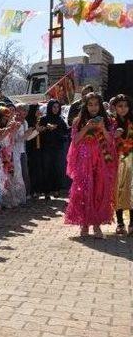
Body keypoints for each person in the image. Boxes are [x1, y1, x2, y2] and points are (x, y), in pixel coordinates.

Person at [65, 92, 117, 238]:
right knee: (84, 190)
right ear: (85, 106)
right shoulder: (78, 121)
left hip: (101, 160)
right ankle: (84, 224)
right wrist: (86, 128)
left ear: (100, 105)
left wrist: (103, 128)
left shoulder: (108, 121)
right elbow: (75, 140)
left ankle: (97, 225)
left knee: (99, 190)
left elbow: (110, 141)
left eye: (96, 104)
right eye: (90, 104)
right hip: (84, 160)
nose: (93, 107)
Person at [38, 99, 69, 198]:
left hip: (57, 147)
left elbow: (65, 132)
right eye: (53, 107)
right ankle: (46, 191)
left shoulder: (60, 119)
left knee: (57, 168)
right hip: (46, 147)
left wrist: (57, 129)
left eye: (57, 107)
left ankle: (56, 189)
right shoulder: (44, 119)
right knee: (47, 168)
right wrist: (47, 128)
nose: (55, 109)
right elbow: (39, 132)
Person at [112, 94, 133, 235]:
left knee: (132, 191)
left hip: (131, 160)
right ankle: (120, 222)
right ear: (115, 108)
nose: (123, 109)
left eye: (125, 106)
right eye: (120, 106)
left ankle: (132, 223)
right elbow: (104, 143)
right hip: (115, 161)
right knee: (117, 191)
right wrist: (114, 136)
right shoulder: (111, 123)